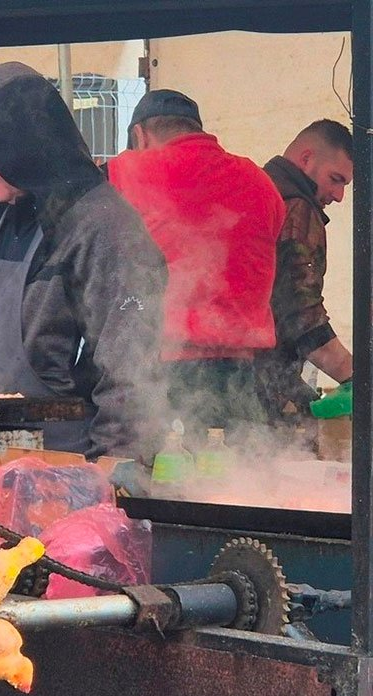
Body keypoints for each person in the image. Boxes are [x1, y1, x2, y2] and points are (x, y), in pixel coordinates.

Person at [0, 62, 167, 460]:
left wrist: (110, 477)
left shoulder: (108, 232)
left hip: (62, 464)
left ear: (22, 148)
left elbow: (131, 381)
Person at [107, 89, 285, 440]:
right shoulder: (261, 182)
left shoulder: (125, 171)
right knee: (240, 468)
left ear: (140, 135)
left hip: (165, 373)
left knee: (167, 469)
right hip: (243, 377)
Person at [255, 120, 354, 428]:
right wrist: (354, 375)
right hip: (260, 388)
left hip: (226, 374)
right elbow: (298, 310)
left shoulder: (256, 191)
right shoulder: (296, 207)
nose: (339, 195)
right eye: (335, 179)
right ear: (306, 158)